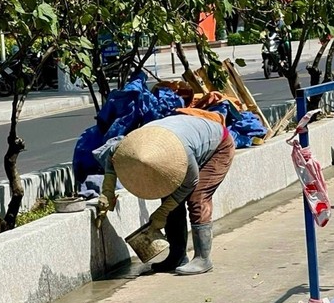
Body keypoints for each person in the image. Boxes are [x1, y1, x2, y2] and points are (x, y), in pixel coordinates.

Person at [96, 114, 235, 275]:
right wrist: (107, 193)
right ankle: (177, 256)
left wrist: (162, 212)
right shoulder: (127, 148)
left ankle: (203, 259)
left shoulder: (183, 153)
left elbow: (191, 182)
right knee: (168, 193)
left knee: (198, 198)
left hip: (219, 146)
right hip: (186, 136)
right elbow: (112, 161)